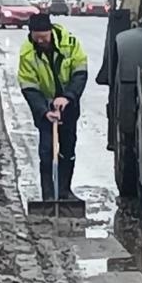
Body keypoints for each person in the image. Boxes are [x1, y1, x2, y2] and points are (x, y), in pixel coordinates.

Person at [18, 13, 87, 201]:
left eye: (44, 36)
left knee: (68, 149)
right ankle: (48, 195)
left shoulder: (70, 44)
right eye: (37, 37)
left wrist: (68, 97)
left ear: (51, 31)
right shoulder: (27, 53)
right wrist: (44, 111)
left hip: (68, 106)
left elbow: (80, 73)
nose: (41, 41)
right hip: (45, 108)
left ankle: (64, 191)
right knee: (47, 151)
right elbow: (29, 87)